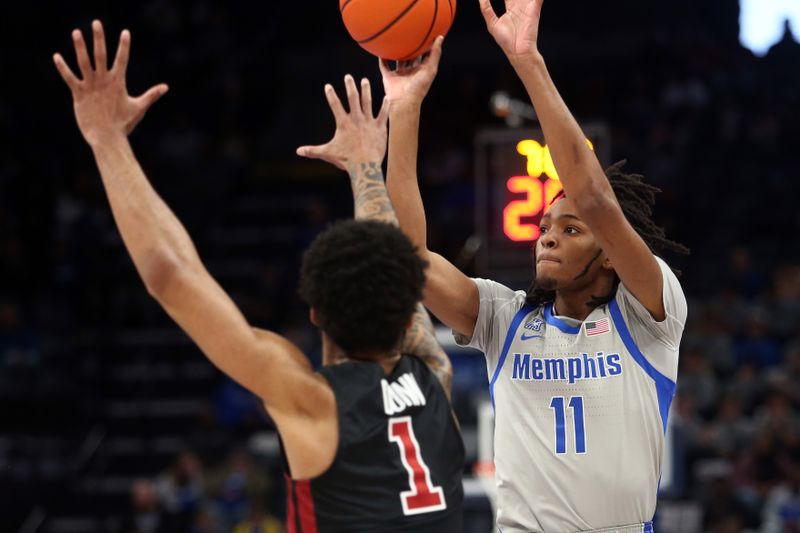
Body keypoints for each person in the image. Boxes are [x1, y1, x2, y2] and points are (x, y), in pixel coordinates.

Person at [53, 21, 464, 532]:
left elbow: (172, 276)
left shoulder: (313, 402)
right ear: (408, 302)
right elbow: (394, 257)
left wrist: (107, 140)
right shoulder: (433, 375)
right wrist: (366, 168)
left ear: (314, 313)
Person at [381, 1, 690, 531]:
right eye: (545, 227)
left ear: (612, 257)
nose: (547, 237)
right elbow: (407, 259)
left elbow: (594, 198)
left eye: (569, 230)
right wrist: (405, 109)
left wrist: (528, 61)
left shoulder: (650, 314)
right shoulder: (506, 319)